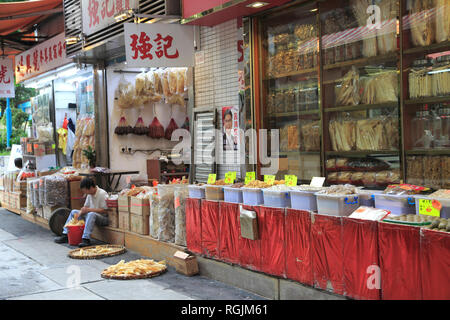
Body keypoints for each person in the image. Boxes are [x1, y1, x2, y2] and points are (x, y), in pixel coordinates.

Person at [54, 177, 109, 247]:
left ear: (91, 188)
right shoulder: (89, 194)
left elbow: (106, 211)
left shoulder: (102, 194)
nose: (85, 193)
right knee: (74, 212)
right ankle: (65, 234)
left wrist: (89, 210)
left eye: (85, 191)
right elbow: (86, 207)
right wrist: (80, 213)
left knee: (91, 214)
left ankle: (86, 239)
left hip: (103, 218)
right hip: (91, 215)